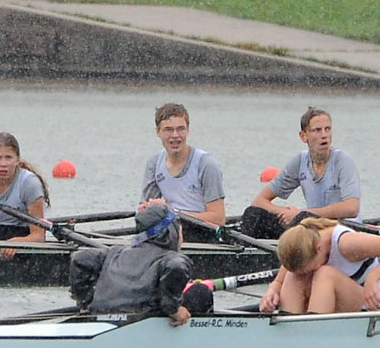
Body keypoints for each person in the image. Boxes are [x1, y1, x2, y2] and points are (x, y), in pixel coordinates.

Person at [68, 200, 210, 325]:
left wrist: (85, 302)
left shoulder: (114, 253)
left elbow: (79, 259)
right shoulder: (170, 259)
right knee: (201, 292)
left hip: (101, 311)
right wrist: (173, 309)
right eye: (180, 231)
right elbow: (176, 267)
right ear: (170, 232)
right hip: (141, 318)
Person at [239, 106, 362, 237]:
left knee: (301, 218)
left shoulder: (342, 161)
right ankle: (247, 253)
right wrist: (285, 212)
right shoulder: (300, 161)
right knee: (253, 214)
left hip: (342, 231)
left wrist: (301, 213)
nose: (324, 135)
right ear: (303, 136)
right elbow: (259, 201)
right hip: (312, 228)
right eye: (317, 130)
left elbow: (352, 208)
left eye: (328, 129)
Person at [258, 216, 380, 315]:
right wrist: (271, 293)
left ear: (319, 249)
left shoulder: (346, 243)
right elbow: (279, 281)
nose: (304, 272)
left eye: (306, 269)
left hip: (372, 308)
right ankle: (289, 324)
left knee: (324, 274)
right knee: (294, 276)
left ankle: (312, 329)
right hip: (334, 313)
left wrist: (374, 277)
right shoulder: (301, 242)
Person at [139, 101, 225, 246]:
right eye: (168, 130)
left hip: (201, 232)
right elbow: (148, 213)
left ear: (188, 130)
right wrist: (145, 209)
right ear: (158, 132)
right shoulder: (154, 163)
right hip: (170, 230)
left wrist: (172, 212)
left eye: (181, 129)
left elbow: (218, 218)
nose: (175, 136)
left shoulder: (206, 164)